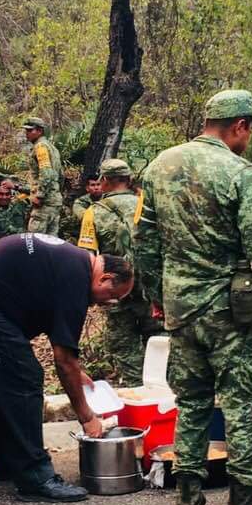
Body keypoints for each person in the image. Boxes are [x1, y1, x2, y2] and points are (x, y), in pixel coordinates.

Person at [135, 89, 252, 505]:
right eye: (249, 131)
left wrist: (155, 294)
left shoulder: (158, 167)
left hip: (181, 310)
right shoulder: (239, 173)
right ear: (239, 126)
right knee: (241, 409)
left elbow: (142, 242)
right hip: (230, 313)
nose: (248, 140)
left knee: (192, 408)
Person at [0, 235, 134, 501]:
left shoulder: (73, 263)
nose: (108, 303)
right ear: (104, 278)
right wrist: (87, 418)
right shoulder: (77, 275)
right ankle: (35, 477)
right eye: (112, 296)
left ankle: (8, 461)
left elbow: (59, 339)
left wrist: (75, 370)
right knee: (25, 376)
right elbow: (63, 360)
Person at [77, 158, 161, 386]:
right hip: (153, 290)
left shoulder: (93, 212)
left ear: (104, 181)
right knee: (160, 341)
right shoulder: (149, 205)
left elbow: (86, 258)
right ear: (129, 179)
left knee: (124, 344)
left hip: (115, 290)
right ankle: (161, 391)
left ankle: (136, 389)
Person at [23, 116, 64, 237]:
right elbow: (60, 175)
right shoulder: (52, 148)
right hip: (54, 201)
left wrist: (40, 196)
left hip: (44, 203)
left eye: (30, 130)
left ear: (40, 131)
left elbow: (47, 173)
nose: (27, 133)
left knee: (34, 241)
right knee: (51, 241)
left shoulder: (40, 147)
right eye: (26, 130)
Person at [0, 180, 30, 244]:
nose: (4, 197)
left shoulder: (19, 203)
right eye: (1, 194)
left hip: (22, 243)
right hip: (3, 246)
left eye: (7, 194)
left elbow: (35, 192)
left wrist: (15, 187)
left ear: (11, 195)